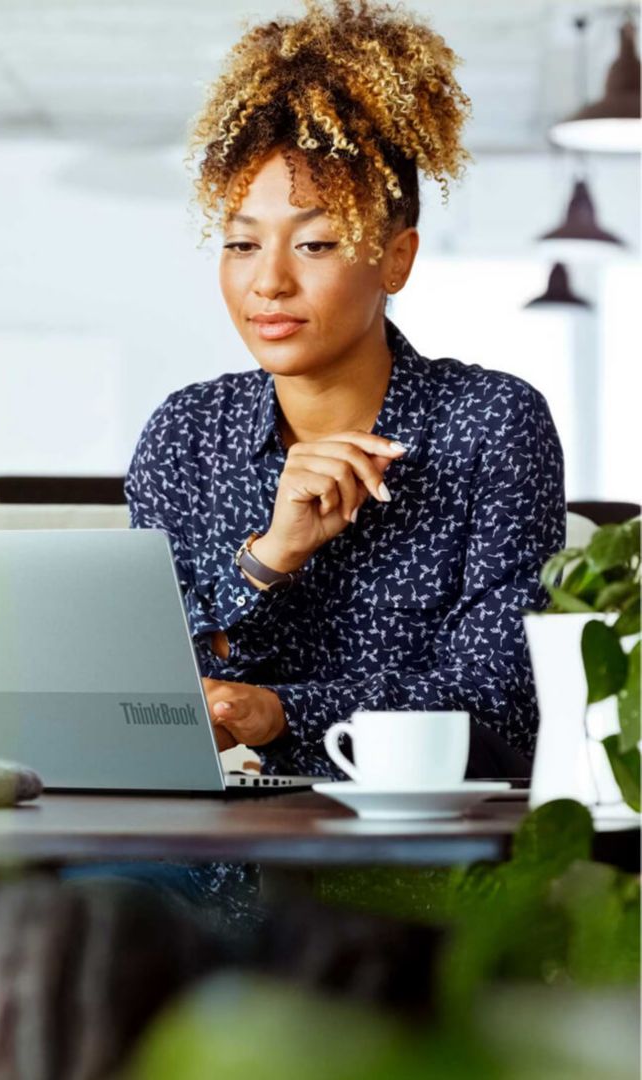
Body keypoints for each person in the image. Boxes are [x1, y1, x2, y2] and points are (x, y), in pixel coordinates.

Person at [125, 0, 566, 780]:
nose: (268, 281)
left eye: (316, 243)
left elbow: (503, 708)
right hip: (197, 847)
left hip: (398, 852)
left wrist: (283, 713)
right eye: (239, 243)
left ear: (396, 260)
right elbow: (144, 695)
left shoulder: (489, 423)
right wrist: (269, 559)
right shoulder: (186, 435)